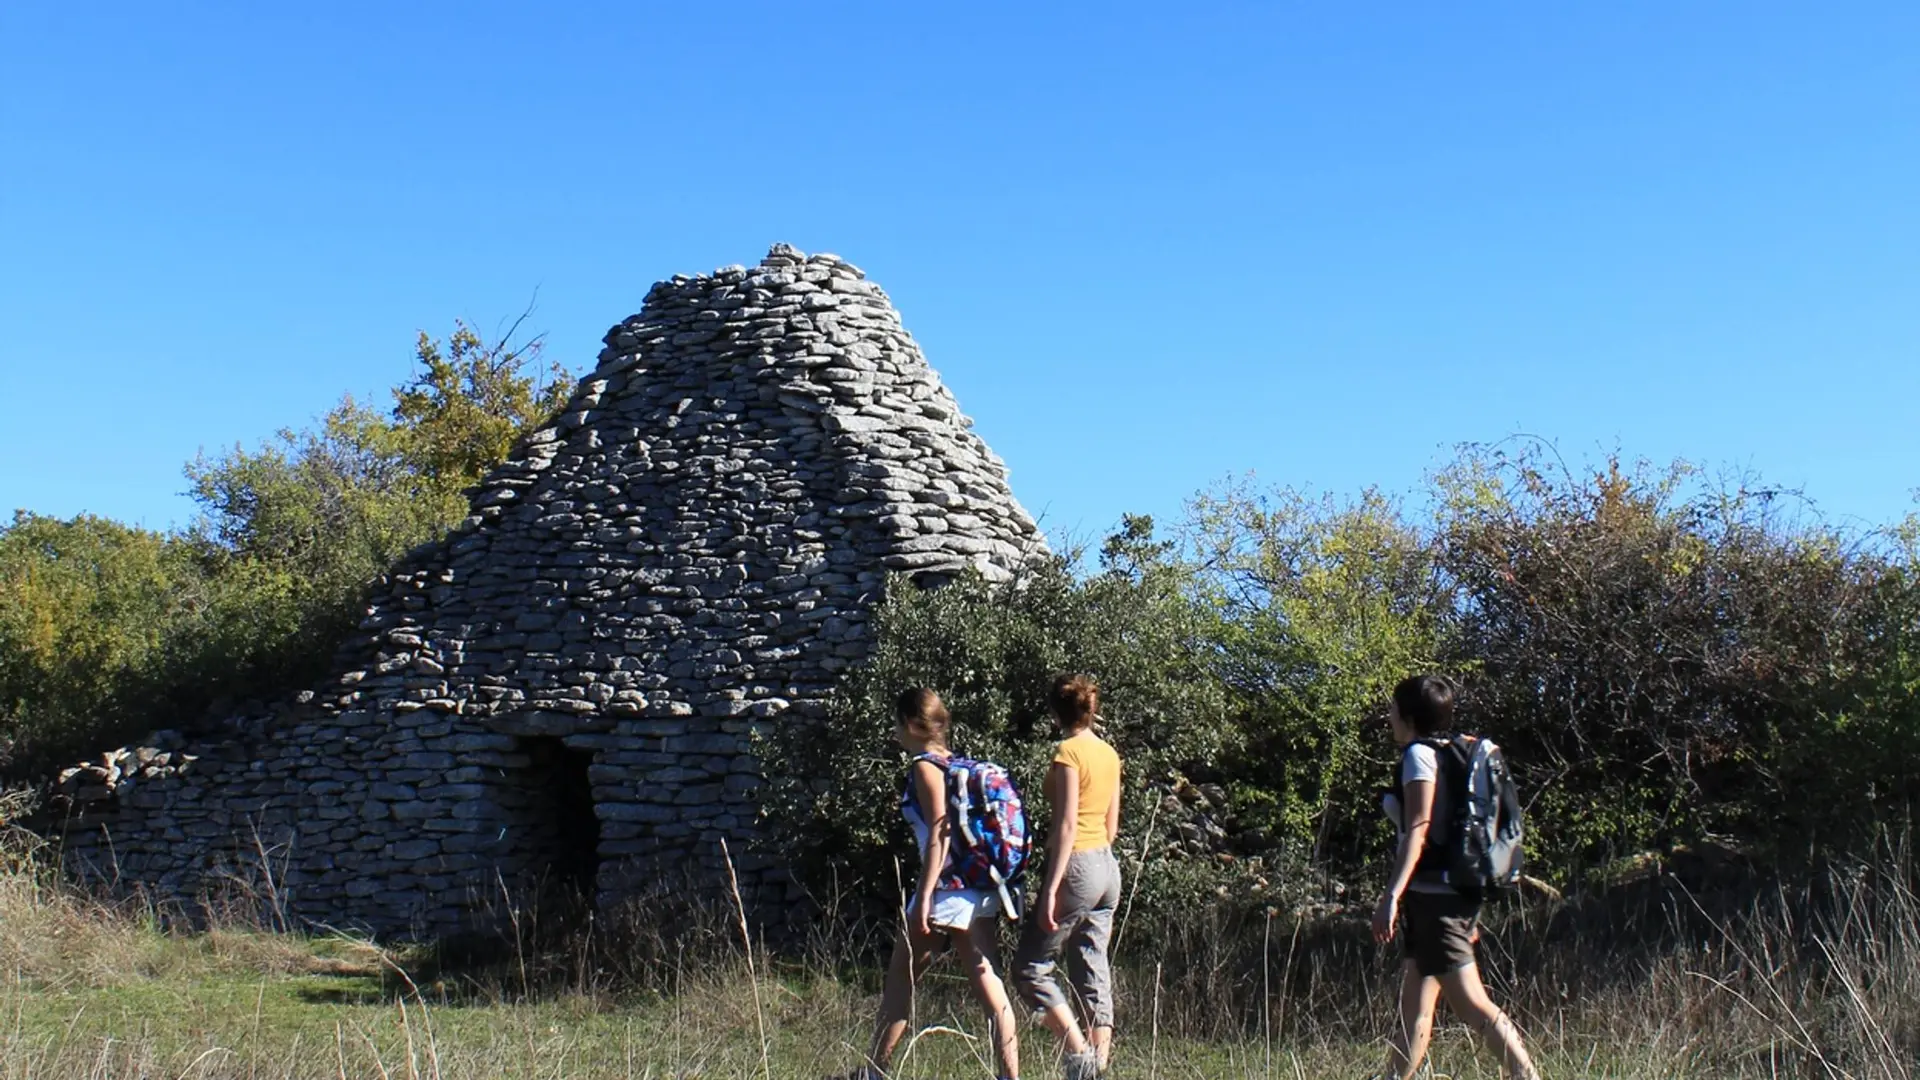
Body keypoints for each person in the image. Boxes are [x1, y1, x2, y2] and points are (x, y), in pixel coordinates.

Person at [845, 687, 1022, 1080]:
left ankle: (874, 1072)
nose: (894, 732)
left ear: (911, 724)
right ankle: (1009, 1075)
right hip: (979, 886)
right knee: (989, 982)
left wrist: (924, 898)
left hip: (945, 888)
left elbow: (940, 831)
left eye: (896, 723)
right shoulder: (960, 766)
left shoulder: (925, 767)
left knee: (900, 980)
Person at [1371, 674, 1541, 1080]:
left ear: (1409, 716)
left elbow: (1419, 828)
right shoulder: (1453, 752)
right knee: (1416, 1008)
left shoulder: (1418, 756)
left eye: (1393, 709)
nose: (1389, 716)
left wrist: (1391, 895)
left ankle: (1526, 1076)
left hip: (1435, 901)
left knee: (1470, 1003)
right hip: (1450, 896)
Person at [1013, 674, 1122, 1080]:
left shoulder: (1067, 753)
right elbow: (1111, 826)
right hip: (1108, 867)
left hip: (1077, 866)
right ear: (1091, 710)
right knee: (1092, 963)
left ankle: (1079, 1057)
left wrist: (1051, 889)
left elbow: (1065, 826)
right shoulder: (1109, 754)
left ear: (1054, 712)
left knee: (1030, 967)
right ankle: (1100, 1063)